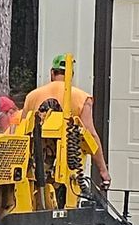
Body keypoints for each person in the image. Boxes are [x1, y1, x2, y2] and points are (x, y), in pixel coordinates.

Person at [24, 55, 110, 188]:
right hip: (68, 170)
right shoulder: (82, 98)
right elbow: (91, 134)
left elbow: (22, 132)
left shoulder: (32, 96)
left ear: (52, 72)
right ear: (71, 74)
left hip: (35, 171)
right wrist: (103, 171)